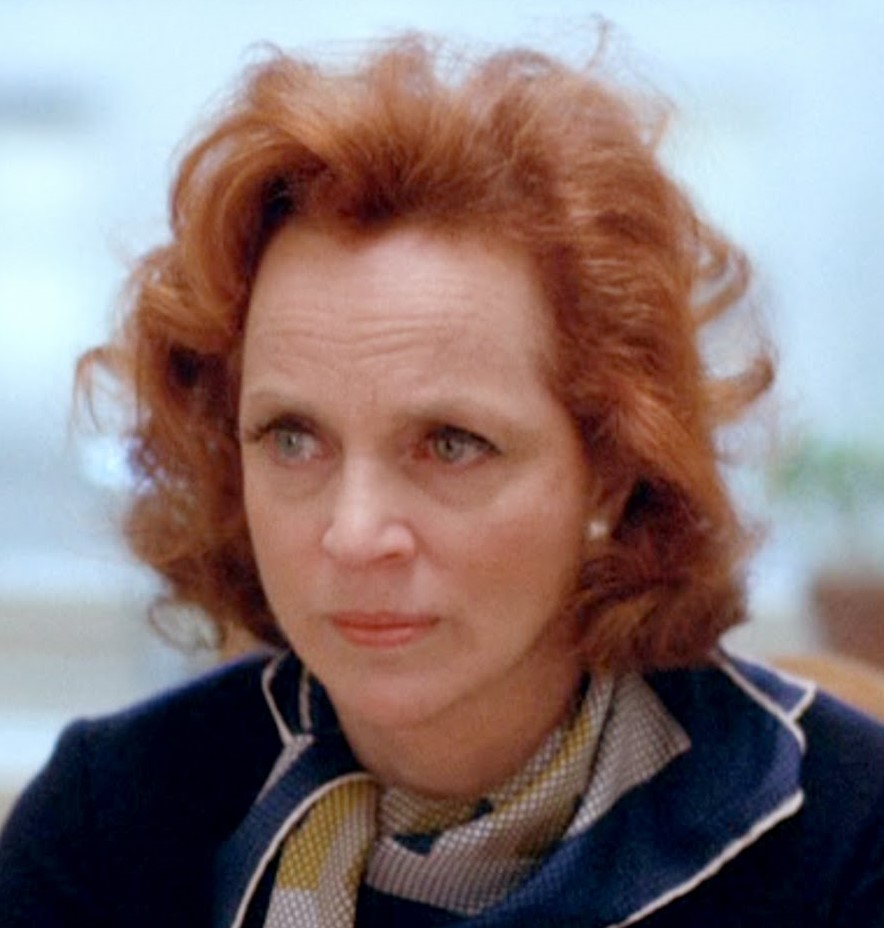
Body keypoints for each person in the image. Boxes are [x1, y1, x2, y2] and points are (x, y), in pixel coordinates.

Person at [1, 32, 883, 928]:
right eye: (293, 438)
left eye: (451, 445)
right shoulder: (104, 830)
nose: (354, 534)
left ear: (612, 472)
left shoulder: (849, 839)